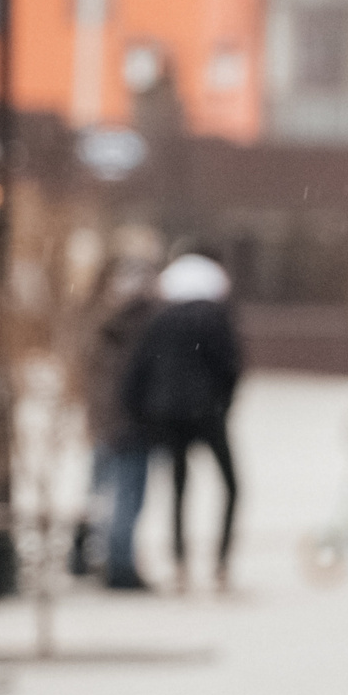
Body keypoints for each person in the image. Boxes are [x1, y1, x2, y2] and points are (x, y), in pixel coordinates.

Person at [122, 252, 242, 594]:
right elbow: (230, 366)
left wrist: (144, 413)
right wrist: (221, 403)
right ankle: (220, 564)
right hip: (207, 413)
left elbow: (139, 370)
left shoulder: (159, 319)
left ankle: (180, 564)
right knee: (232, 485)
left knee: (178, 487)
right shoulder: (215, 317)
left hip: (168, 415)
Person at [77, 260, 159, 590]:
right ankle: (120, 567)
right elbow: (135, 383)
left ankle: (91, 557)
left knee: (100, 494)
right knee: (127, 497)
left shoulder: (102, 325)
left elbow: (93, 379)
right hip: (129, 425)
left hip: (105, 422)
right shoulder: (142, 328)